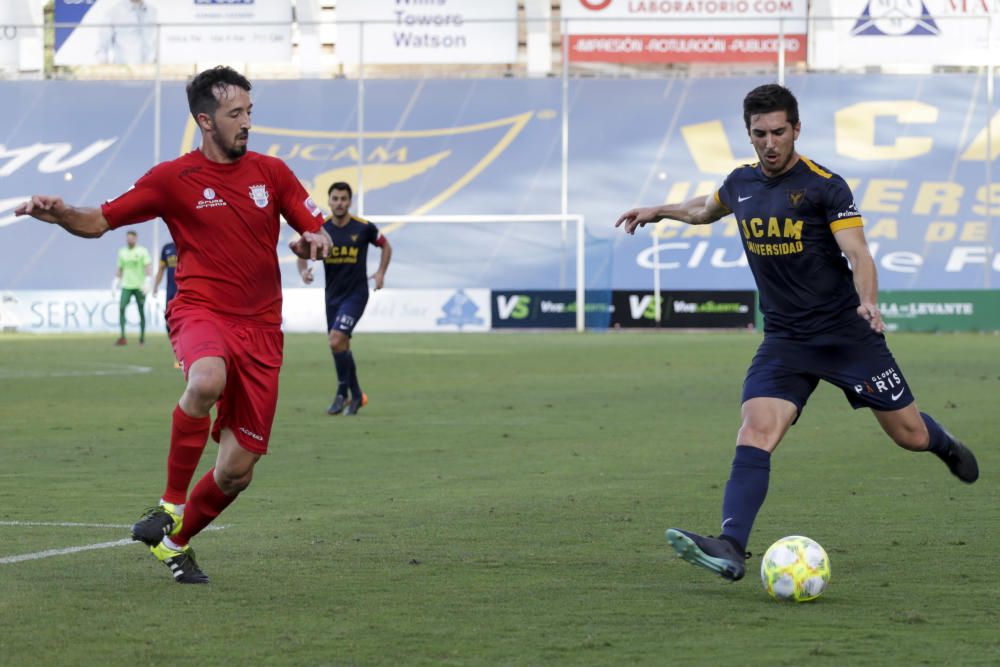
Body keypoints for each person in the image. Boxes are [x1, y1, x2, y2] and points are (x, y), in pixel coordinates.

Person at [614, 83, 979, 583]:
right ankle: (731, 544)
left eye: (779, 132)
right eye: (759, 133)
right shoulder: (740, 184)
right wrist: (658, 210)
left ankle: (945, 444)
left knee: (910, 435)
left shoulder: (825, 186)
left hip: (846, 338)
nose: (769, 142)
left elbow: (858, 253)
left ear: (796, 129)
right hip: (785, 341)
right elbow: (705, 208)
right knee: (755, 431)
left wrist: (868, 301)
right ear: (749, 134)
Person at [16, 66, 331, 584]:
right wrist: (62, 212)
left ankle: (174, 542)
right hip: (200, 310)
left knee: (237, 470)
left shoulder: (272, 173)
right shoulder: (172, 179)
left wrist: (312, 240)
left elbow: (311, 224)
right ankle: (169, 503)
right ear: (206, 121)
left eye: (250, 111)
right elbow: (98, 221)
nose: (247, 122)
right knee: (206, 380)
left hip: (262, 332)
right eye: (236, 114)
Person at [297, 182, 392, 416]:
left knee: (335, 340)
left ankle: (342, 394)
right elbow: (302, 250)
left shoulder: (363, 228)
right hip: (332, 296)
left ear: (350, 202)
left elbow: (385, 245)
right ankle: (357, 395)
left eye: (343, 199)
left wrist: (381, 272)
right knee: (341, 344)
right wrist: (303, 271)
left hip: (356, 294)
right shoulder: (321, 228)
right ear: (329, 202)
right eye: (335, 199)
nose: (339, 203)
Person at [113, 229, 152, 346]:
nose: (129, 240)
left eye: (131, 238)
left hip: (140, 286)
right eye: (127, 238)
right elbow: (120, 269)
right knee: (122, 307)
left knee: (141, 310)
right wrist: (115, 282)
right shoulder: (122, 252)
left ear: (135, 238)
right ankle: (123, 337)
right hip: (127, 285)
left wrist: (148, 281)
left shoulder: (142, 251)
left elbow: (148, 266)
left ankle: (142, 337)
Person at [97, 0, 158, 66]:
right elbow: (102, 46)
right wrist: (105, 68)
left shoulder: (152, 11)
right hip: (123, 72)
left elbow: (155, 41)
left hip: (150, 72)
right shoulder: (114, 11)